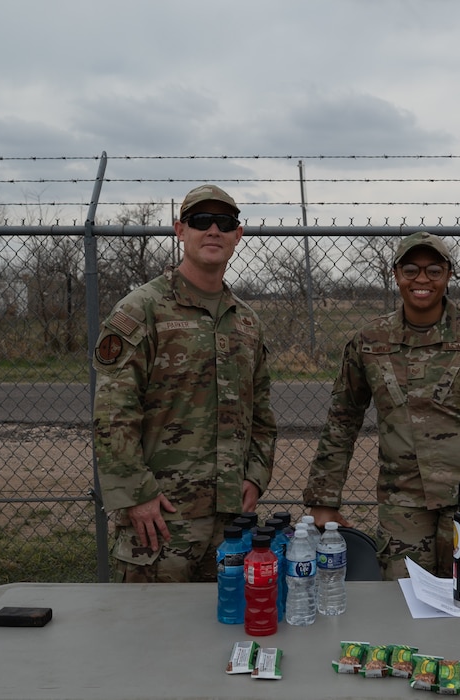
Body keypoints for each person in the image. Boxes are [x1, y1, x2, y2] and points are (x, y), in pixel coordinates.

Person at [303, 232, 460, 579]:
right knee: (402, 600)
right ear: (396, 274)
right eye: (411, 269)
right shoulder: (369, 342)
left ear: (448, 275)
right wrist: (323, 501)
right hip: (403, 503)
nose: (422, 279)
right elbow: (341, 422)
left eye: (433, 270)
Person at [93, 184, 277, 583]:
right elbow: (113, 414)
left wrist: (254, 478)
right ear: (180, 230)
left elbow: (261, 413)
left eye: (224, 222)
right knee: (152, 638)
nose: (213, 230)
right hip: (160, 522)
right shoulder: (142, 310)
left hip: (231, 525)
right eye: (200, 221)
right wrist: (136, 494)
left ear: (237, 235)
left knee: (226, 633)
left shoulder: (246, 322)